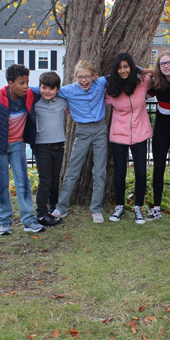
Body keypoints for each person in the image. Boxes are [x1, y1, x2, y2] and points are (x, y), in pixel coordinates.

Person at [0, 64, 45, 235]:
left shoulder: (30, 95)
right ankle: (4, 222)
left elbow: (46, 90)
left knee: (23, 183)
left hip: (17, 144)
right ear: (10, 83)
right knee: (0, 185)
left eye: (27, 82)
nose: (26, 86)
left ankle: (28, 220)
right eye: (21, 83)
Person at [50, 60, 110, 224]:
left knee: (99, 170)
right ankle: (62, 207)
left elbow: (123, 75)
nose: (83, 80)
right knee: (73, 169)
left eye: (87, 76)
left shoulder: (101, 82)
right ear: (75, 77)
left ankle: (96, 209)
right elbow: (46, 90)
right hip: (82, 130)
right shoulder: (69, 90)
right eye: (79, 77)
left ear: (94, 76)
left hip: (100, 129)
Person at [105, 53, 154, 224]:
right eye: (119, 67)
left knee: (140, 172)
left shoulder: (143, 82)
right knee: (120, 172)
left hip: (140, 132)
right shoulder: (111, 87)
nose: (123, 70)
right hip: (118, 133)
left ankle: (137, 207)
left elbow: (159, 73)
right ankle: (119, 206)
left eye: (126, 66)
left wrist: (140, 69)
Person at [147, 51, 170, 221]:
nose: (167, 66)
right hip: (161, 130)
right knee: (159, 168)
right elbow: (141, 92)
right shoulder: (157, 84)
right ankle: (156, 208)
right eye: (163, 64)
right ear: (159, 67)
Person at [32, 71, 68, 227]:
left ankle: (54, 207)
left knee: (55, 179)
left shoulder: (62, 102)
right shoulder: (35, 102)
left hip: (59, 145)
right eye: (44, 87)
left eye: (51, 88)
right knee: (45, 180)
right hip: (42, 146)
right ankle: (41, 213)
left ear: (57, 90)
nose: (47, 91)